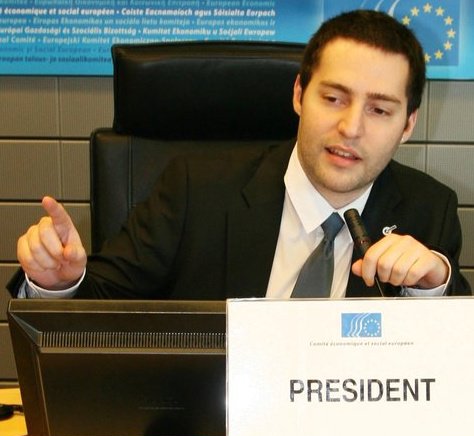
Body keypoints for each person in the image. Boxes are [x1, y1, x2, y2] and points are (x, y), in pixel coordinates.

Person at [8, 9, 471, 300]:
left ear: (407, 125)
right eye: (333, 98)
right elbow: (102, 304)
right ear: (299, 94)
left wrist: (433, 288)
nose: (351, 128)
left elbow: (449, 369)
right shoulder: (195, 189)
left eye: (380, 110)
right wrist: (58, 283)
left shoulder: (428, 209)